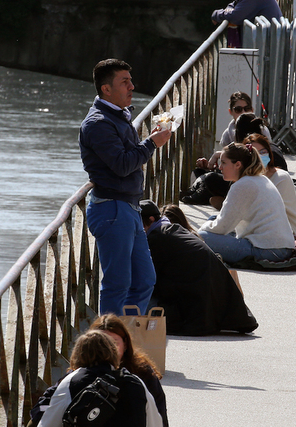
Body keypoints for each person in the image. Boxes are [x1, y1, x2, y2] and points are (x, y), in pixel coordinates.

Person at [79, 59, 171, 315]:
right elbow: (121, 165)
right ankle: (109, 346)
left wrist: (148, 140)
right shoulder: (98, 123)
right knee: (117, 284)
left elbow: (127, 155)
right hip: (111, 210)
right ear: (106, 89)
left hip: (128, 208)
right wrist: (152, 143)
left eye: (130, 80)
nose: (132, 86)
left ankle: (127, 339)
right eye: (125, 81)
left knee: (144, 280)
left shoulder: (118, 116)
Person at [139, 200, 259, 335]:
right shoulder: (175, 231)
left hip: (192, 315)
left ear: (150, 220)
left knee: (132, 302)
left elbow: (145, 281)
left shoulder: (157, 239)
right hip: (213, 310)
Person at [198, 142, 296, 266]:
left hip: (267, 251)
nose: (219, 167)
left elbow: (223, 227)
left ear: (237, 165)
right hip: (282, 247)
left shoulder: (242, 185)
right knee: (213, 219)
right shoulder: (260, 179)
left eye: (223, 163)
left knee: (201, 237)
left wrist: (201, 230)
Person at [36, 330, 162, 427]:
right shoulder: (135, 382)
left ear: (78, 354)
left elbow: (48, 423)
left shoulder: (71, 382)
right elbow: (155, 423)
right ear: (112, 352)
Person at [90, 314, 169, 426]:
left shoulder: (143, 373)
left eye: (114, 343)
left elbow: (160, 415)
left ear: (125, 344)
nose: (108, 350)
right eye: (102, 344)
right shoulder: (81, 374)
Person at [244, 133, 296, 245]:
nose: (261, 156)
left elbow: (264, 214)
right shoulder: (248, 178)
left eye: (263, 151)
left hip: (285, 236)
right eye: (256, 153)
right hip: (258, 232)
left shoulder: (281, 178)